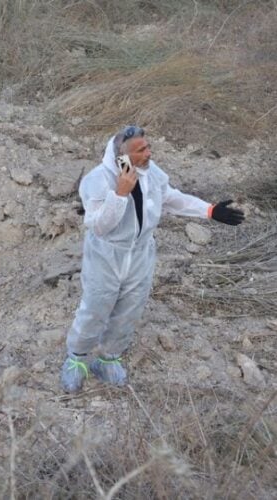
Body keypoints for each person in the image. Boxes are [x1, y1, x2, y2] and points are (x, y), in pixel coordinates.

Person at [61, 125, 245, 393]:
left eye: (148, 147)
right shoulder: (97, 181)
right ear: (122, 157)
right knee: (96, 307)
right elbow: (100, 226)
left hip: (140, 254)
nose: (149, 152)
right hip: (106, 255)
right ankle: (76, 359)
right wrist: (121, 192)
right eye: (142, 150)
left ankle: (108, 359)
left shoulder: (151, 174)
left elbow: (170, 198)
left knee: (130, 309)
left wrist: (209, 210)